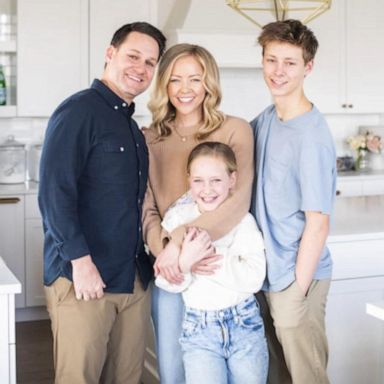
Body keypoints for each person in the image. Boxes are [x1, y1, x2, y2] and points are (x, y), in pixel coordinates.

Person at [38, 22, 166, 384]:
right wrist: (80, 262)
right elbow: (54, 193)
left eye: (150, 62)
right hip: (84, 279)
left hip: (131, 278)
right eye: (133, 56)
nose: (140, 68)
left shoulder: (130, 124)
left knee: (127, 378)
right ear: (110, 54)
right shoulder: (79, 111)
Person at [142, 43, 254, 383]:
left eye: (195, 79)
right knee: (173, 372)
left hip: (220, 267)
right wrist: (169, 254)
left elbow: (238, 201)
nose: (186, 89)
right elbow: (146, 208)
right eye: (176, 80)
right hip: (172, 272)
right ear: (164, 85)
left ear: (210, 82)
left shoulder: (236, 130)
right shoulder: (149, 138)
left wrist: (181, 243)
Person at [251, 19, 336, 384]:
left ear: (308, 67)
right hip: (265, 275)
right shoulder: (266, 120)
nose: (278, 71)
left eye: (290, 62)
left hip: (295, 278)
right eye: (272, 60)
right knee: (278, 376)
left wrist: (296, 291)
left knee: (306, 377)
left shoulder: (312, 136)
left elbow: (318, 222)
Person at [155, 141, 268, 384]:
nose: (207, 189)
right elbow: (165, 281)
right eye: (198, 181)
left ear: (232, 180)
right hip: (199, 331)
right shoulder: (178, 219)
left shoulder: (242, 220)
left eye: (216, 180)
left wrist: (205, 254)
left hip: (244, 325)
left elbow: (254, 277)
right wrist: (185, 264)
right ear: (189, 180)